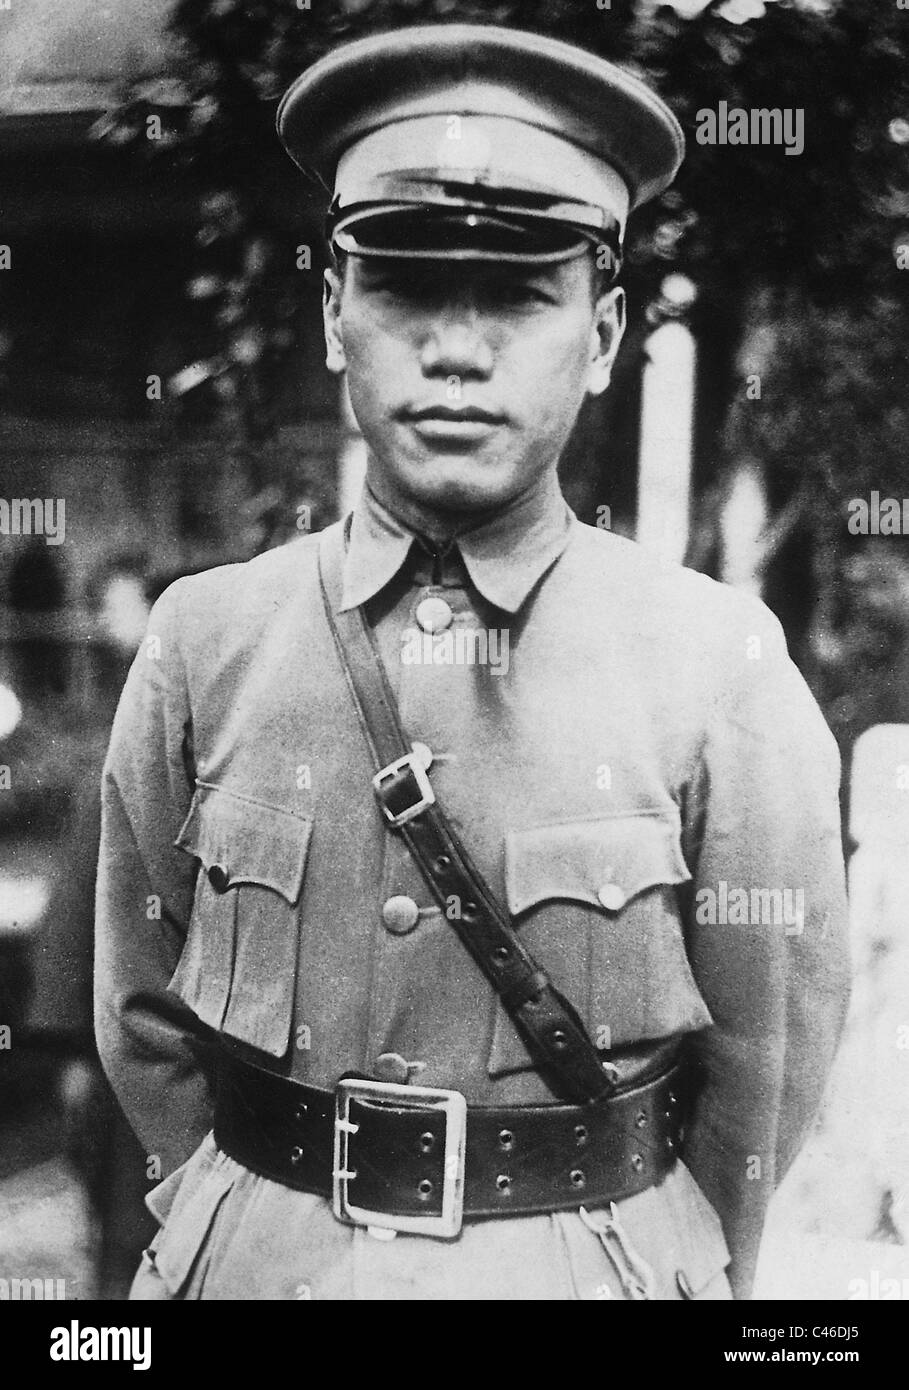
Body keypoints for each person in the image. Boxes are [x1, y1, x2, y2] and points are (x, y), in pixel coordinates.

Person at [94, 22, 850, 1301]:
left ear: (604, 335)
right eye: (402, 287)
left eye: (516, 293)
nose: (457, 346)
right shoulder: (205, 640)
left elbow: (764, 1073)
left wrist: (658, 1263)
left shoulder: (716, 666)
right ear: (336, 314)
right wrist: (245, 1215)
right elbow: (144, 1021)